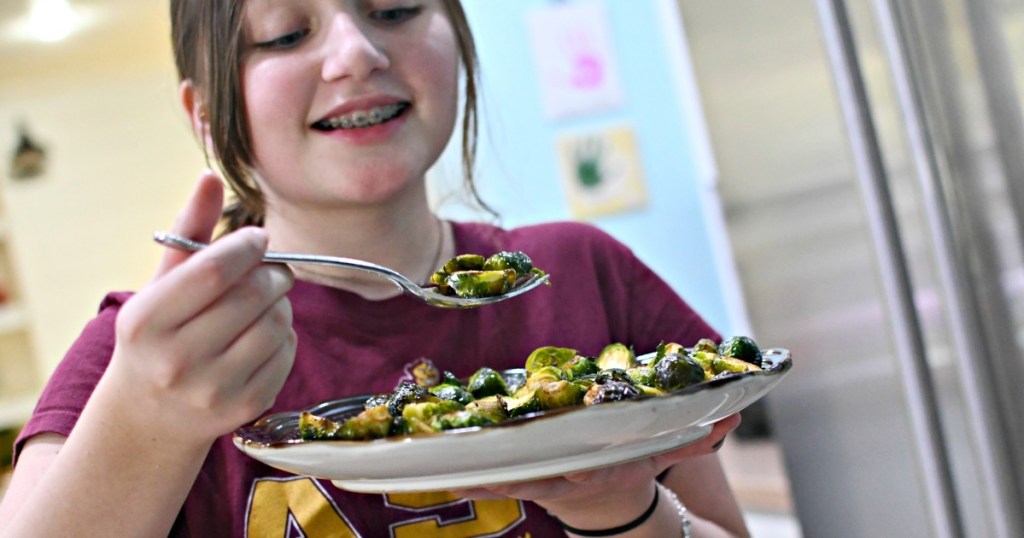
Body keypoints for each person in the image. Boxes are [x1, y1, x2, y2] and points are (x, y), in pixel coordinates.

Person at [0, 1, 750, 536]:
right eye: (287, 32)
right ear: (205, 113)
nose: (356, 53)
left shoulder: (582, 276)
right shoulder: (154, 359)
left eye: (394, 10)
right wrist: (143, 421)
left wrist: (625, 511)